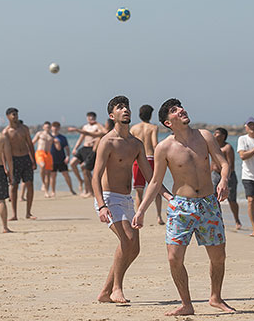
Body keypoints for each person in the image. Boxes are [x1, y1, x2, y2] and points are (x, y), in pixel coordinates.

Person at [133, 98, 235, 316]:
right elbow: (155, 182)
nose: (181, 110)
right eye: (174, 110)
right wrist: (141, 210)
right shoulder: (164, 148)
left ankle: (216, 297)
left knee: (218, 257)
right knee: (174, 258)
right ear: (167, 122)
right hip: (181, 206)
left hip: (208, 203)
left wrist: (224, 180)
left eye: (180, 107)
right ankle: (186, 303)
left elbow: (223, 163)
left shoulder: (205, 136)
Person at [92, 96, 171, 304]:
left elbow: (150, 176)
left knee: (134, 248)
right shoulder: (107, 142)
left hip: (127, 200)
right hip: (109, 199)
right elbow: (95, 177)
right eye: (120, 107)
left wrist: (168, 196)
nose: (125, 109)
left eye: (126, 106)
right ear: (112, 115)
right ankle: (117, 289)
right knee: (127, 241)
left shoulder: (136, 144)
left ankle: (105, 292)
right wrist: (101, 205)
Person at [130, 104, 164, 225]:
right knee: (157, 188)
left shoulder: (134, 128)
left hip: (138, 160)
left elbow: (131, 145)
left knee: (139, 191)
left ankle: (139, 215)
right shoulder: (153, 127)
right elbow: (155, 144)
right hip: (150, 158)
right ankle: (159, 216)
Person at [3, 107, 36, 220]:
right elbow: (3, 150)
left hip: (26, 158)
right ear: (8, 116)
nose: (15, 117)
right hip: (14, 160)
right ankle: (14, 214)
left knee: (30, 185)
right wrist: (5, 166)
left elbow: (30, 144)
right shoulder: (6, 132)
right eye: (13, 114)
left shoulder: (24, 129)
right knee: (13, 187)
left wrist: (34, 160)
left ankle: (28, 212)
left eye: (16, 114)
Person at [212, 127, 241, 230]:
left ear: (223, 136)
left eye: (217, 133)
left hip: (229, 176)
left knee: (231, 199)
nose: (214, 135)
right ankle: (216, 219)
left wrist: (225, 178)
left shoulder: (227, 148)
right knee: (213, 198)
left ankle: (237, 220)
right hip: (215, 175)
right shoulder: (213, 146)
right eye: (214, 133)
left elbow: (230, 165)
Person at [70, 112, 104, 197]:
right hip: (84, 148)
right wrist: (75, 148)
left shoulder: (97, 126)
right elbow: (81, 138)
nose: (90, 119)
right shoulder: (85, 127)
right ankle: (80, 180)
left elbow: (103, 133)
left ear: (95, 118)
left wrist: (98, 124)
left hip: (91, 149)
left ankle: (89, 190)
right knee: (72, 163)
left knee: (85, 169)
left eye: (92, 117)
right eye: (89, 117)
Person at [49, 121, 75, 196]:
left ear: (59, 128)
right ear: (51, 127)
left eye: (57, 127)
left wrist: (67, 156)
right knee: (53, 175)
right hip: (52, 159)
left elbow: (67, 148)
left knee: (66, 174)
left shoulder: (62, 138)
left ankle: (71, 189)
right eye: (54, 126)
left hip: (61, 158)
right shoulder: (49, 136)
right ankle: (53, 191)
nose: (55, 128)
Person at [32, 122, 55, 197]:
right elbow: (32, 142)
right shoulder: (40, 134)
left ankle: (46, 192)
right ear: (43, 127)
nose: (47, 128)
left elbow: (56, 146)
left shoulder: (51, 136)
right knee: (42, 165)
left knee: (48, 174)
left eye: (48, 127)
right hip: (40, 152)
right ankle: (43, 183)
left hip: (48, 154)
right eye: (46, 127)